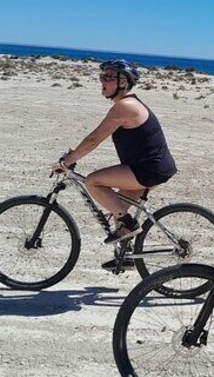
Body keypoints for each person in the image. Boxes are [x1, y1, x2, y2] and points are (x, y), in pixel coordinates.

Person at [52, 59, 177, 270]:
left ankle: (129, 226)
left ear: (123, 83)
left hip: (148, 169)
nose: (103, 81)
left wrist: (67, 161)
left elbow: (94, 139)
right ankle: (126, 257)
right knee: (118, 207)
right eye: (102, 76)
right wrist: (73, 155)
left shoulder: (125, 106)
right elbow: (93, 139)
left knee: (94, 182)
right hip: (150, 167)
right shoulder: (126, 104)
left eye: (109, 77)